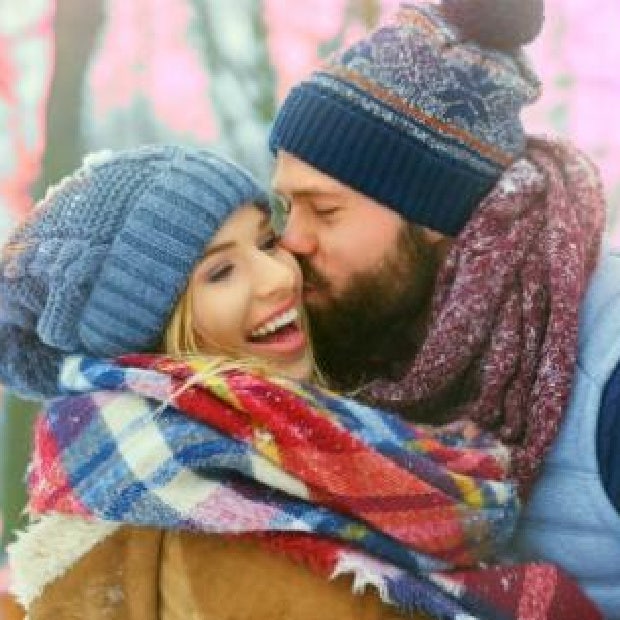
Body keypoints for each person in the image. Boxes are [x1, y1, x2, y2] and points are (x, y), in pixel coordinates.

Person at [268, 0, 620, 617]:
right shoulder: (354, 337)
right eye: (286, 208)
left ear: (439, 217)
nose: (290, 243)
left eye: (325, 212)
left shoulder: (606, 366)